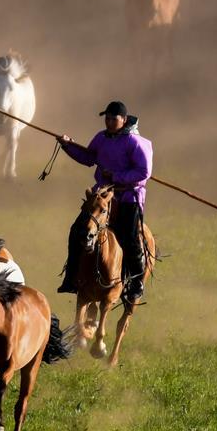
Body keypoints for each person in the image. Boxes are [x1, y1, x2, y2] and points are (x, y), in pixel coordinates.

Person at [56, 101, 153, 303]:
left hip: (127, 197)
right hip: (100, 196)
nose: (108, 122)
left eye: (113, 119)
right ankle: (72, 277)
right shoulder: (101, 138)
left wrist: (115, 176)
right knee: (77, 230)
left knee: (130, 237)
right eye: (106, 118)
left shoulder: (136, 142)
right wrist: (67, 146)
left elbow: (143, 173)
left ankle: (136, 283)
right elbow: (88, 157)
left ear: (124, 120)